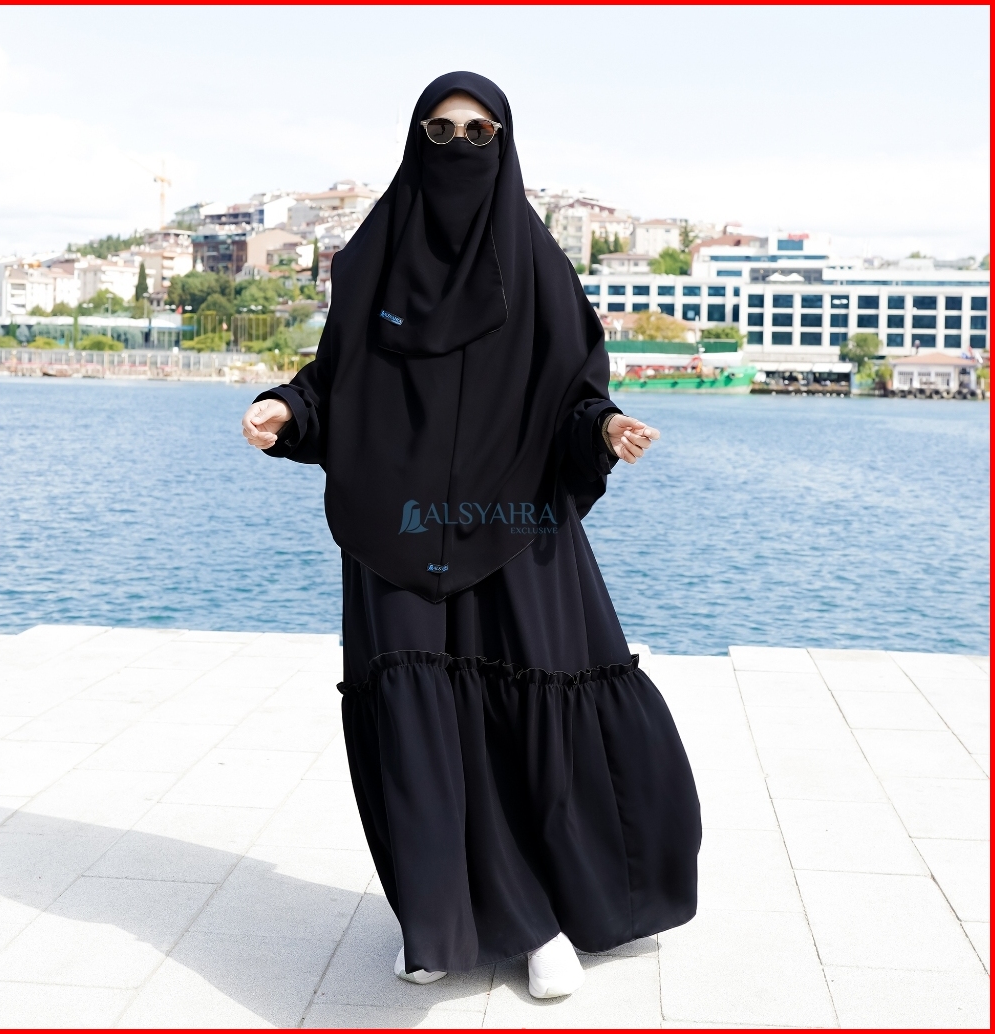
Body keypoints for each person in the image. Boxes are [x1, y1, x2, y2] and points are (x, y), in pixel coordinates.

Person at [242, 71, 700, 1000]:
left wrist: (606, 427)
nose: (459, 147)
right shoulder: (372, 261)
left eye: (479, 132)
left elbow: (573, 392)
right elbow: (336, 381)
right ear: (415, 142)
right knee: (419, 734)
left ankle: (543, 922)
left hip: (513, 527)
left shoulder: (536, 266)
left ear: (506, 144)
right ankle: (437, 920)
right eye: (441, 131)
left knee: (528, 721)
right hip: (394, 533)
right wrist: (286, 409)